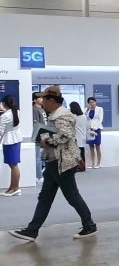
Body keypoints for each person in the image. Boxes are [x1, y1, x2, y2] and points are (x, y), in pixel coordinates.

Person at [9, 86, 97, 242]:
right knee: (46, 197)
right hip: (54, 161)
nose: (41, 101)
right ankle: (32, 230)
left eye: (44, 99)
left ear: (51, 100)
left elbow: (66, 135)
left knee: (71, 196)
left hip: (61, 162)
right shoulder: (57, 114)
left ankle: (89, 225)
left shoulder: (61, 115)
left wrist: (47, 141)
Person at [1, 94, 23, 196]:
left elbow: (0, 131)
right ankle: (12, 187)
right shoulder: (16, 111)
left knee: (13, 165)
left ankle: (16, 188)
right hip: (16, 138)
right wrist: (4, 110)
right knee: (13, 164)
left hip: (9, 140)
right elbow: (10, 117)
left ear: (4, 103)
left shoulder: (4, 116)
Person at [86, 96, 104, 168]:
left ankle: (98, 163)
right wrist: (87, 110)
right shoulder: (86, 110)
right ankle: (92, 163)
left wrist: (95, 128)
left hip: (97, 129)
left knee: (97, 146)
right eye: (90, 102)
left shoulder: (100, 109)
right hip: (89, 129)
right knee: (91, 147)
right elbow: (84, 118)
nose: (92, 103)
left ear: (95, 102)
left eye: (93, 102)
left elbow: (100, 119)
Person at [32, 94, 46, 184]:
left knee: (42, 156)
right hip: (39, 135)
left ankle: (40, 174)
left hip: (44, 134)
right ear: (35, 100)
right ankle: (38, 176)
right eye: (40, 98)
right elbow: (37, 124)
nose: (42, 99)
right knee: (37, 157)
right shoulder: (34, 110)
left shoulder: (42, 109)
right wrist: (42, 137)